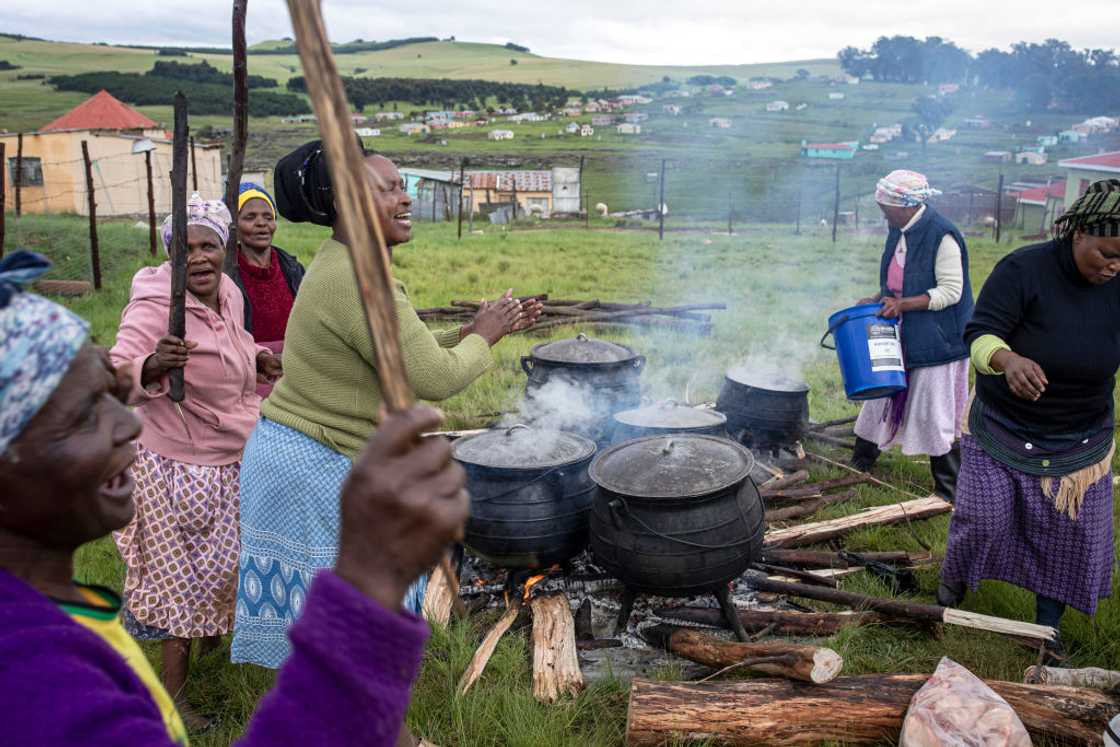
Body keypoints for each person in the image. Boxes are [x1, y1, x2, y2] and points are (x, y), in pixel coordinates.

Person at [0, 250, 467, 745]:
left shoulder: (53, 613)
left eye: (111, 397)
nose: (129, 424)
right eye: (83, 416)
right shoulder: (41, 676)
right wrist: (366, 581)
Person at [232, 142, 543, 669]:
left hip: (306, 456)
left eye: (403, 186)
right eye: (388, 189)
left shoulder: (346, 264)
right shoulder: (360, 280)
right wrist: (485, 338)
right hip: (312, 467)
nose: (405, 199)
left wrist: (467, 332)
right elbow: (433, 377)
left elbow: (396, 353)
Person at [108, 194, 283, 727]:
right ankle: (172, 700)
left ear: (224, 250)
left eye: (209, 245)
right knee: (177, 583)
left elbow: (236, 341)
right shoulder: (155, 302)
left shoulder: (228, 291)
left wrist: (257, 359)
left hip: (229, 454)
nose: (200, 258)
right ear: (169, 255)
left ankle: (208, 650)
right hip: (173, 466)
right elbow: (114, 379)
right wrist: (153, 362)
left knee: (223, 567)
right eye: (186, 249)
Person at [939, 179, 1120, 641]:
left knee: (1066, 534)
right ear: (1078, 233)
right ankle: (951, 586)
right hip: (1003, 424)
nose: (1114, 266)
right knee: (983, 518)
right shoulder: (1024, 268)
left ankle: (1045, 631)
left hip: (1078, 435)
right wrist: (1008, 360)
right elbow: (979, 334)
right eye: (1107, 252)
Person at [850, 170, 974, 501]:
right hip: (902, 329)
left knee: (934, 411)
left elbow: (951, 292)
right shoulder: (899, 229)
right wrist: (878, 298)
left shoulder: (942, 235)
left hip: (939, 339)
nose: (882, 211)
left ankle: (948, 490)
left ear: (904, 205)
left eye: (884, 206)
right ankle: (861, 462)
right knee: (880, 391)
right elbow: (898, 278)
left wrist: (902, 304)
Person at [233, 182, 305, 397]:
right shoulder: (226, 272)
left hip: (294, 366)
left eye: (268, 217)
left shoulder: (291, 267)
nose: (261, 224)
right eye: (250, 217)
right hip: (250, 371)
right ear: (234, 225)